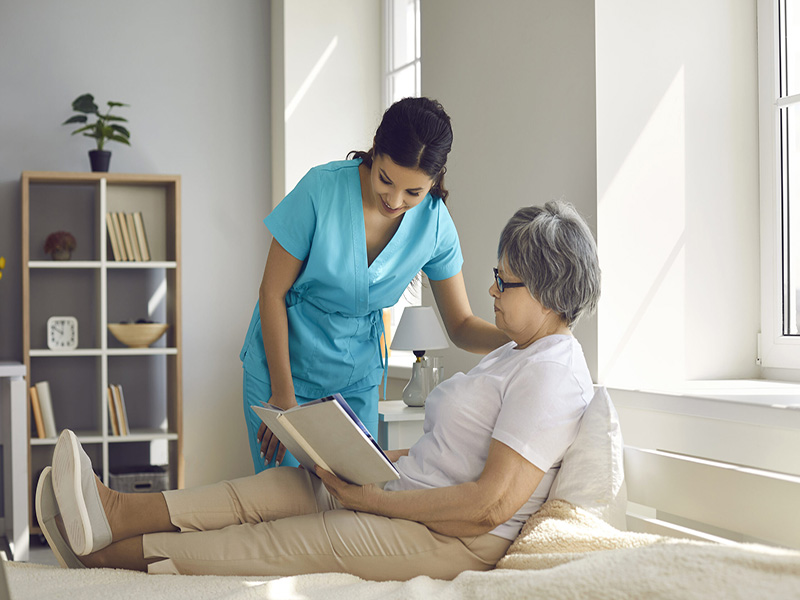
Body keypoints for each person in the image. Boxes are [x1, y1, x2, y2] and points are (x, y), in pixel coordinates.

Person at [38, 201, 601, 581]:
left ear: (548, 291)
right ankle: (115, 510)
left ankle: (107, 558)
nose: (492, 290)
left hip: (450, 539)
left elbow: (488, 506)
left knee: (278, 539)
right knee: (282, 485)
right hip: (404, 493)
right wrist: (369, 461)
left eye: (504, 281)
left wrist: (377, 502)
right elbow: (457, 452)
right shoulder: (515, 352)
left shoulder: (553, 373)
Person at [241, 96, 509, 473]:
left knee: (355, 495)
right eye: (385, 179)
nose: (394, 200)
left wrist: (523, 339)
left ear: (434, 180)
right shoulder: (321, 189)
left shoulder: (435, 225)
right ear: (375, 151)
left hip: (355, 382)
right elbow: (271, 293)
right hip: (281, 371)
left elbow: (461, 325)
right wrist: (283, 395)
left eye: (413, 193)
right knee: (281, 497)